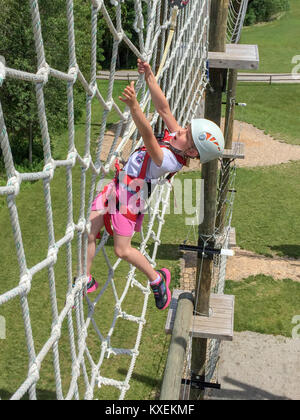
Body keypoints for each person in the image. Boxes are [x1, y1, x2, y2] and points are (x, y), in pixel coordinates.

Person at [83, 59, 224, 311]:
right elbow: (164, 109)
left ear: (191, 152)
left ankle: (157, 279)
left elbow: (148, 136)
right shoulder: (178, 138)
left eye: (185, 134)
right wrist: (149, 76)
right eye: (185, 128)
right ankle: (84, 278)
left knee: (122, 251)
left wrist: (135, 107)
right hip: (116, 187)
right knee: (89, 230)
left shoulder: (170, 160)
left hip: (129, 201)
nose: (180, 130)